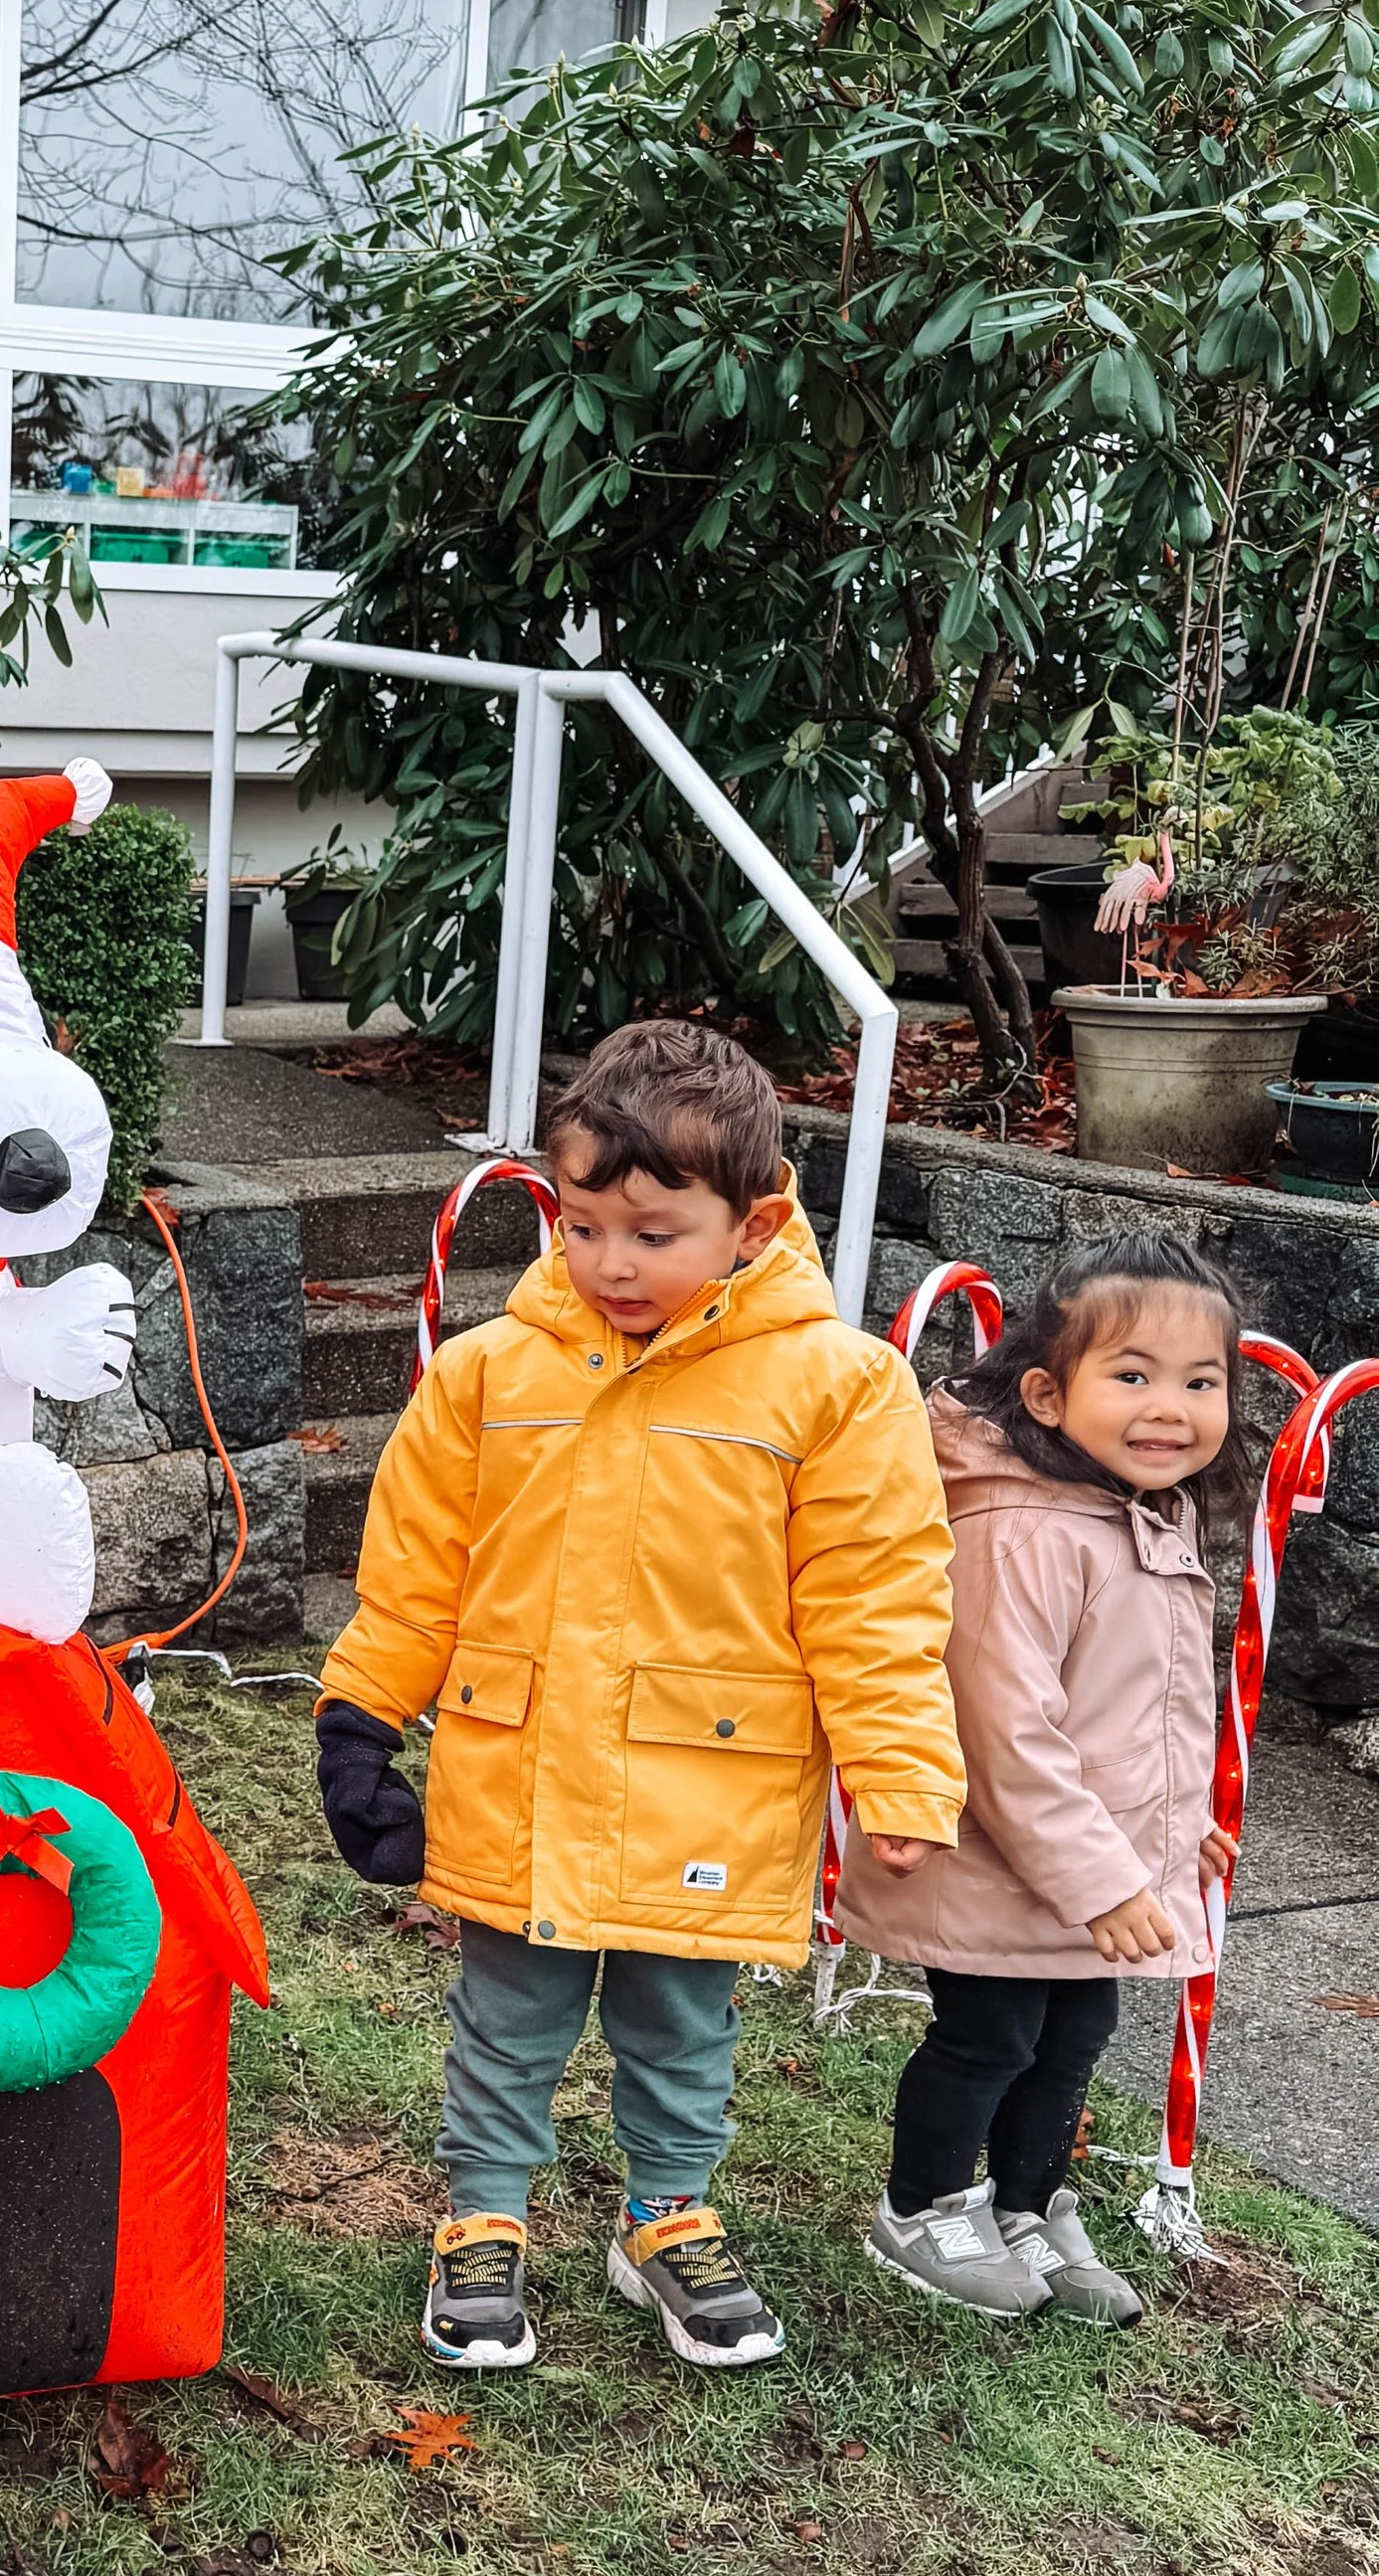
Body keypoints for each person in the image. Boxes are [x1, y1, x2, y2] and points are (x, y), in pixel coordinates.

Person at [315, 1019, 963, 2378]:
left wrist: (899, 1775)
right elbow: (418, 1567)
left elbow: (875, 1596)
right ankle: (483, 2215)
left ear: (755, 1221)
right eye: (586, 1223)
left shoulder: (838, 1388)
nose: (613, 1263)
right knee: (509, 2016)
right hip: (521, 1768)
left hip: (707, 1781)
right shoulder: (491, 1370)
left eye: (655, 1233)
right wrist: (361, 1720)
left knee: (682, 2021)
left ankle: (667, 2213)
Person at [836, 1231, 1241, 2328]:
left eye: (1200, 1380)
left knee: (1073, 2037)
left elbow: (1137, 1707)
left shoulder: (1143, 1513)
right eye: (1132, 1375)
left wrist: (1178, 1826)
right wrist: (1106, 1880)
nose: (1171, 1407)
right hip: (996, 1857)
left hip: (1089, 1869)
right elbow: (1006, 1730)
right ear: (1047, 1397)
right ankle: (919, 2207)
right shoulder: (1021, 1528)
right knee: (988, 2036)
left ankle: (1026, 2204)